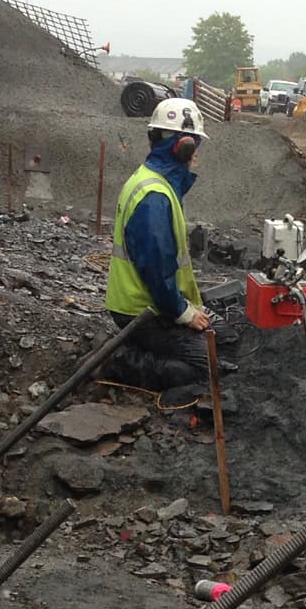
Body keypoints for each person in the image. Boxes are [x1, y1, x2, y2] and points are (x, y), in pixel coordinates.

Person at [103, 97, 215, 390]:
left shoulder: (154, 182)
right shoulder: (155, 196)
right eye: (196, 146)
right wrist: (183, 312)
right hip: (142, 311)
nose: (197, 154)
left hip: (144, 303)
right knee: (205, 368)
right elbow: (156, 267)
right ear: (184, 147)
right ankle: (118, 361)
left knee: (219, 340)